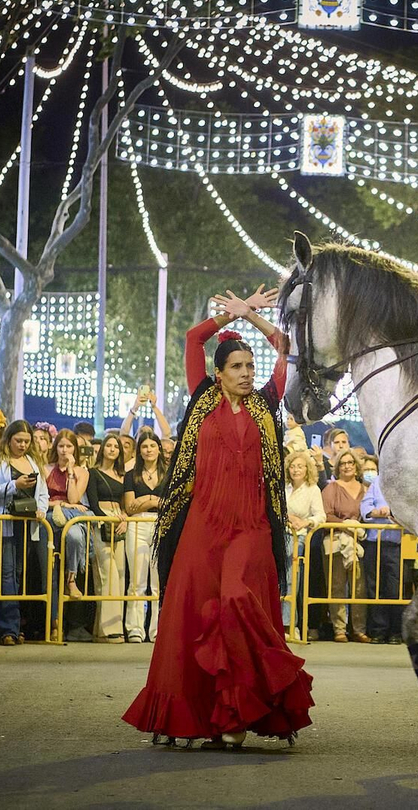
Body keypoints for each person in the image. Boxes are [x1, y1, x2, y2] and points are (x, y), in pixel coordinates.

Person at [123, 286, 314, 747]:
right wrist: (227, 318)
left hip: (251, 527)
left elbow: (285, 347)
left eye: (250, 366)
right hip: (202, 526)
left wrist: (253, 317)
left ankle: (238, 712)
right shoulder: (202, 399)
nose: (247, 373)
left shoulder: (266, 404)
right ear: (218, 373)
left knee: (235, 600)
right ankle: (205, 718)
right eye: (237, 367)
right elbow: (193, 338)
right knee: (191, 617)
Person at [0, 419, 48, 646]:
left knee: (18, 573)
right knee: (7, 574)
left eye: (26, 441)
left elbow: (43, 493)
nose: (22, 445)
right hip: (4, 523)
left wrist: (41, 510)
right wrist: (14, 485)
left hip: (26, 525)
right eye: (18, 441)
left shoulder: (33, 461)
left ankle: (13, 625)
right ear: (9, 439)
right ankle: (7, 628)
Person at [320, 447, 369, 643]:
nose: (347, 466)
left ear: (356, 466)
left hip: (359, 544)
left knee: (359, 588)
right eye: (343, 463)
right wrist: (346, 525)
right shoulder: (331, 488)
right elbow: (326, 514)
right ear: (338, 467)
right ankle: (339, 629)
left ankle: (359, 629)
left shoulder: (366, 488)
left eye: (350, 462)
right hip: (335, 542)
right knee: (336, 586)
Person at [123, 431, 168, 643]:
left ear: (159, 448)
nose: (149, 450)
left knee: (158, 582)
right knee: (137, 580)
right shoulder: (131, 475)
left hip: (161, 524)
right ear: (139, 451)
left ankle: (158, 629)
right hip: (137, 525)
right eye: (144, 446)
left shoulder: (168, 473)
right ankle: (134, 628)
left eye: (152, 446)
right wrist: (153, 500)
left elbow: (169, 504)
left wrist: (147, 500)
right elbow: (129, 507)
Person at [46, 428, 91, 641]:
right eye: (61, 446)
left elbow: (74, 499)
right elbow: (42, 500)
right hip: (50, 517)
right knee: (51, 572)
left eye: (69, 446)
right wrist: (60, 504)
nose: (64, 450)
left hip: (71, 517)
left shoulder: (82, 472)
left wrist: (71, 471)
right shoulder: (46, 468)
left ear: (75, 449)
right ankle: (54, 625)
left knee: (74, 535)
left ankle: (72, 578)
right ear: (56, 447)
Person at [85, 434, 129, 643]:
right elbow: (93, 504)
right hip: (101, 522)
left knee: (119, 574)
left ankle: (104, 629)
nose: (112, 449)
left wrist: (125, 518)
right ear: (102, 449)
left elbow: (126, 503)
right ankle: (108, 630)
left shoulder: (123, 475)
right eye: (109, 445)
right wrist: (107, 519)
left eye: (116, 446)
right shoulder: (93, 473)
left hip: (120, 522)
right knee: (106, 574)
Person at [357, 458, 404, 643]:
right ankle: (378, 630)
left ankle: (395, 631)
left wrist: (392, 513)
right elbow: (365, 507)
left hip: (395, 544)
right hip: (374, 542)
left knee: (394, 587)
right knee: (374, 587)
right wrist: (375, 512)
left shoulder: (403, 485)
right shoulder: (376, 483)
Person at [284, 448, 324, 642]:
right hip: (279, 535)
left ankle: (290, 624)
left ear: (307, 469)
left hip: (297, 537)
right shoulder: (283, 487)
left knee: (291, 580)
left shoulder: (312, 489)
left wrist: (305, 522)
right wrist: (288, 516)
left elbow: (320, 516)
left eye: (300, 466)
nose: (296, 470)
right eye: (292, 466)